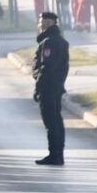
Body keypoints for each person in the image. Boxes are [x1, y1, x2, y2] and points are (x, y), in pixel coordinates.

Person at [33, 12, 70, 166]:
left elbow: (46, 68)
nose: (40, 24)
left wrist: (38, 88)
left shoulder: (49, 42)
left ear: (49, 23)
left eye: (42, 21)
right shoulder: (60, 41)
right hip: (57, 86)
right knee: (56, 120)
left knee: (51, 122)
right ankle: (58, 153)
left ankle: (54, 154)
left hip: (49, 87)